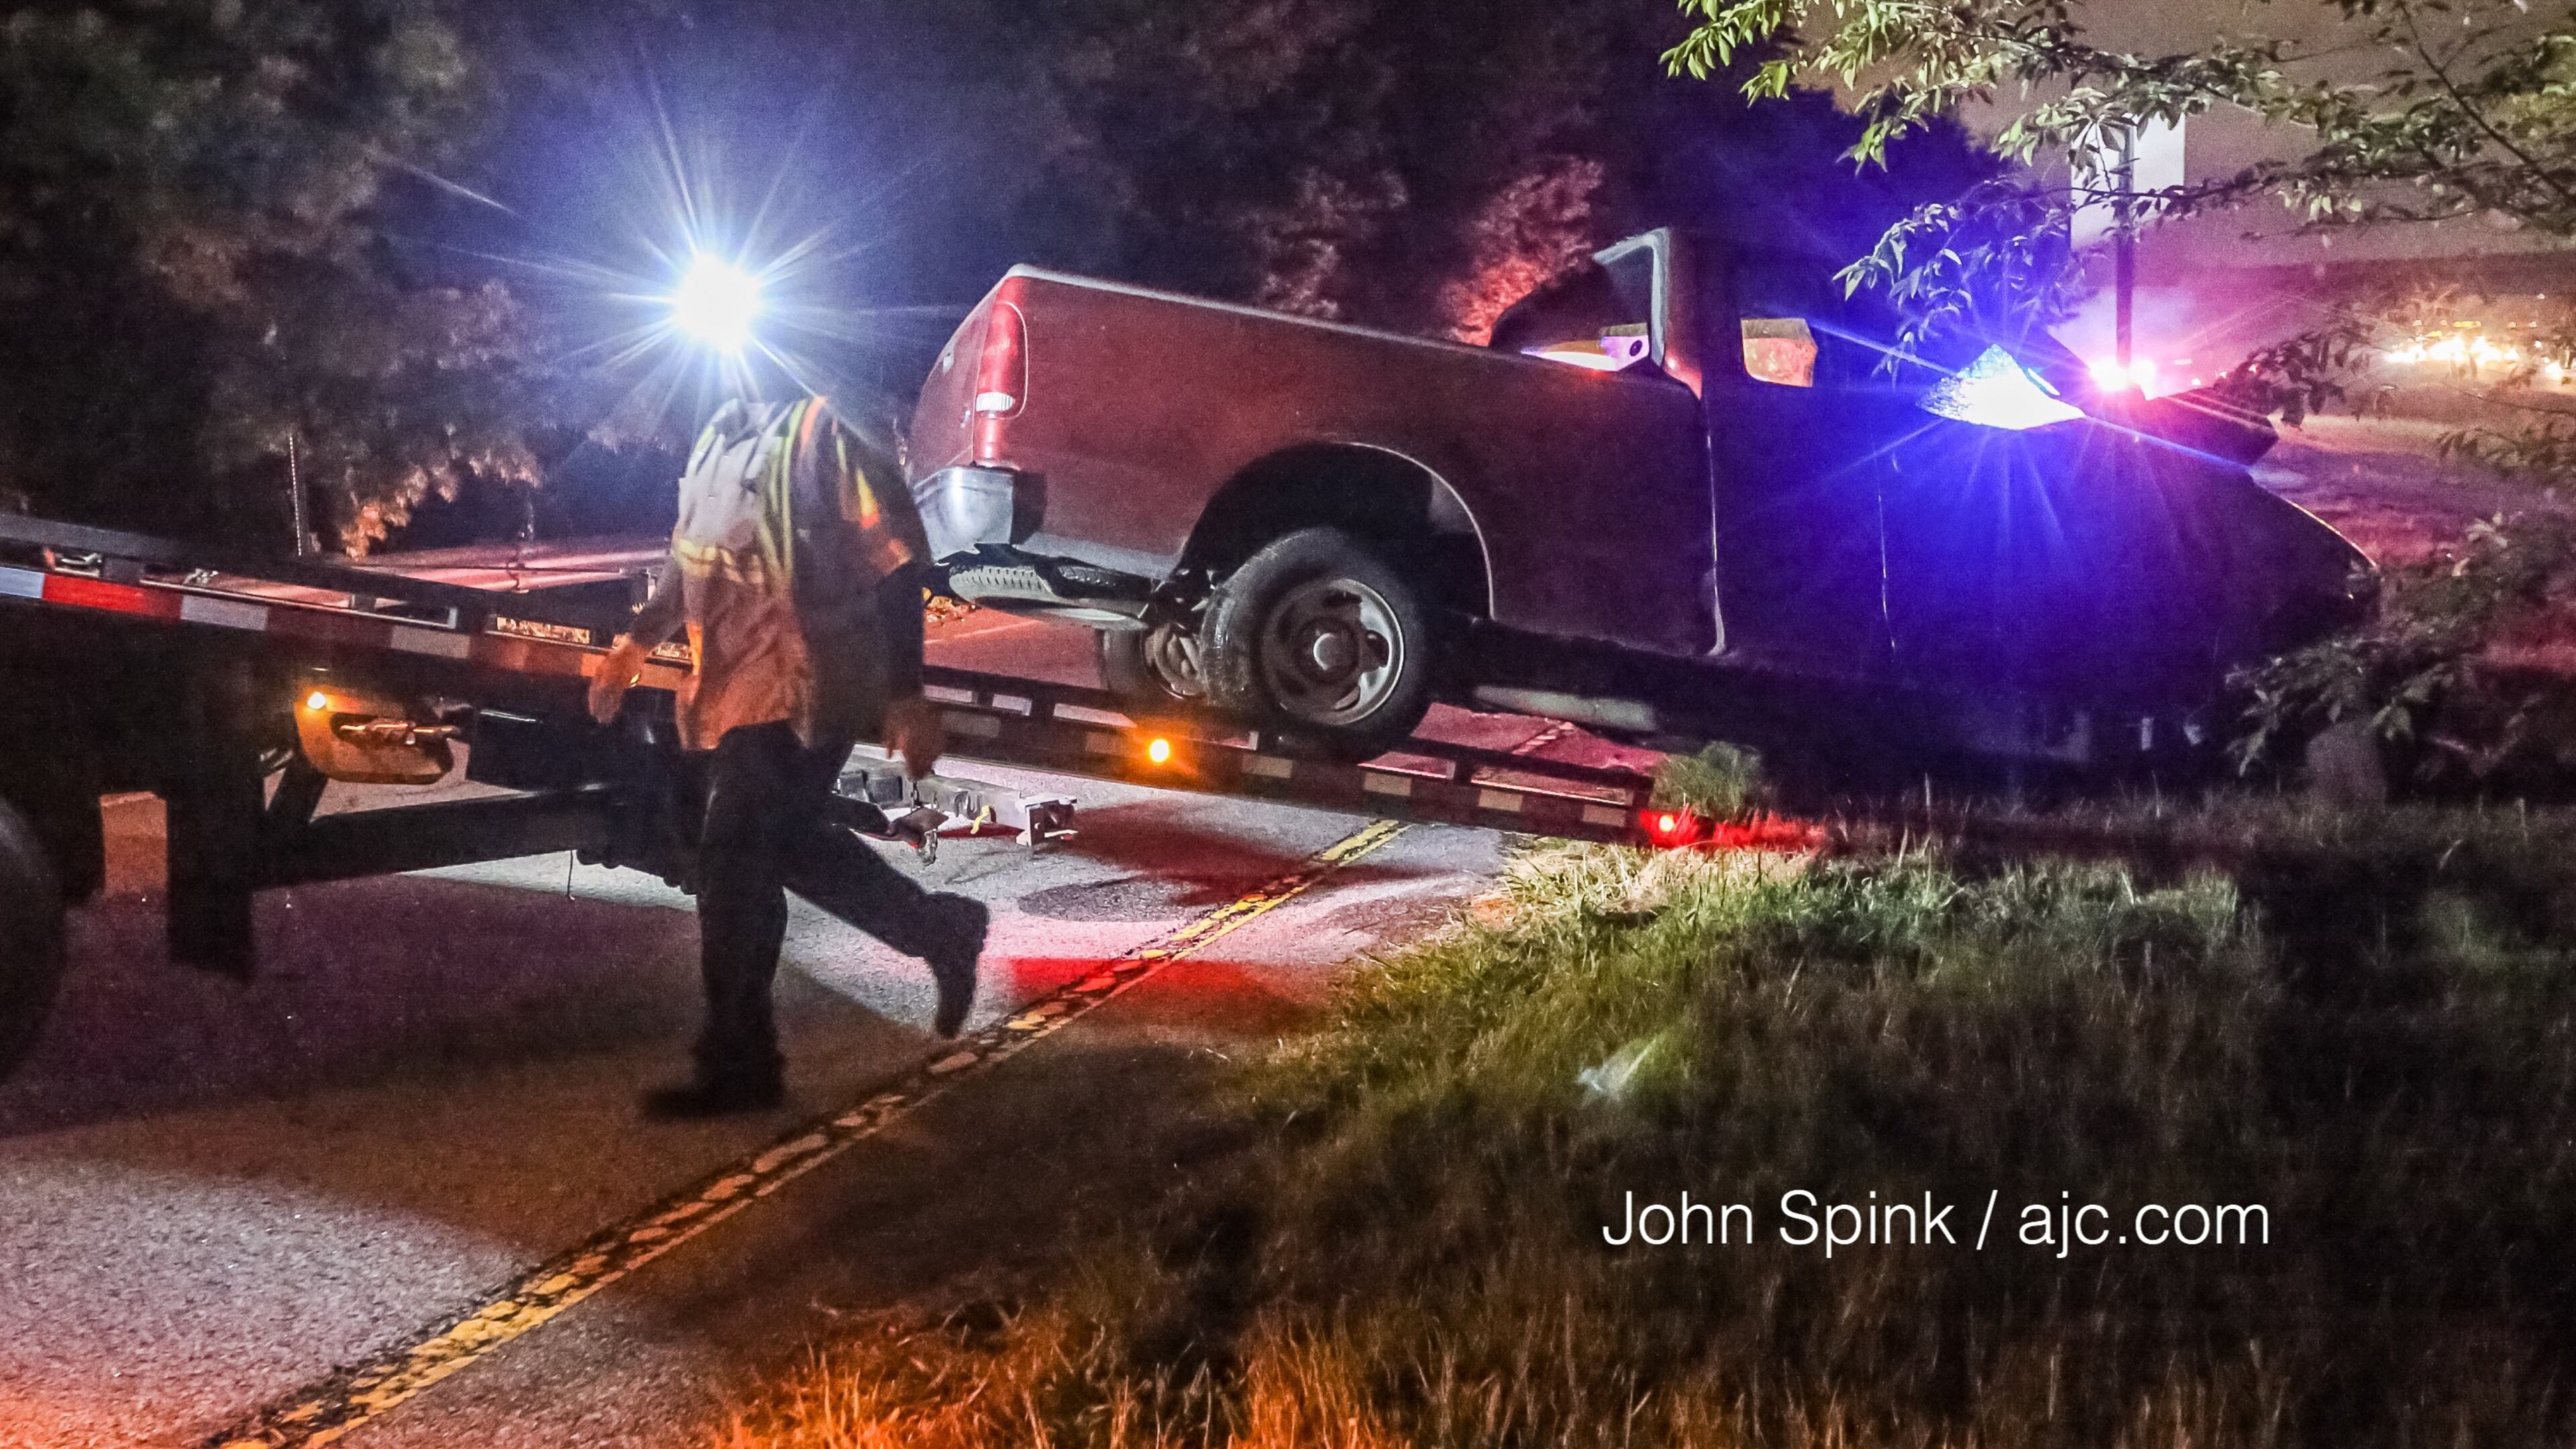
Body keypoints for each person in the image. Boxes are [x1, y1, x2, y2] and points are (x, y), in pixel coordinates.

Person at [589, 394, 987, 1118]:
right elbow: (688, 559)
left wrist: (906, 693)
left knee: (735, 857)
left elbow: (896, 567)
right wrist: (637, 640)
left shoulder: (828, 434)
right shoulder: (714, 438)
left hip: (812, 688)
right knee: (788, 844)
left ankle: (740, 1065)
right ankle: (939, 930)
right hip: (733, 692)